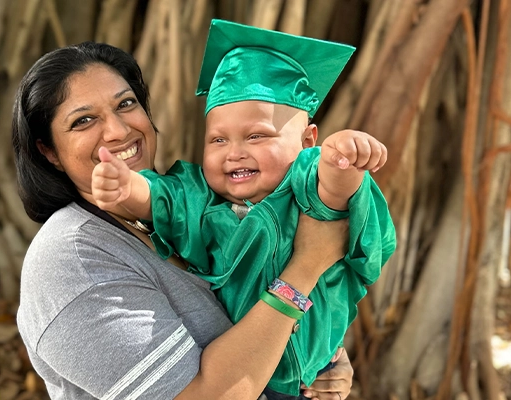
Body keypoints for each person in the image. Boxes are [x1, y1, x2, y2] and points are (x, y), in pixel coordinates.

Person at [13, 40, 356, 400]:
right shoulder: (73, 261)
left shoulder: (195, 211)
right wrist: (306, 266)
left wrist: (320, 356)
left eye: (125, 104)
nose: (117, 131)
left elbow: (257, 318)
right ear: (49, 151)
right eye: (83, 120)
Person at [91, 20, 396, 399]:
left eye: (257, 136)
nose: (234, 152)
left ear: (307, 140)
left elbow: (332, 201)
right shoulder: (200, 198)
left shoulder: (302, 183)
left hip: (309, 377)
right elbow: (161, 198)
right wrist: (126, 186)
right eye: (218, 139)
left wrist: (342, 160)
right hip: (244, 372)